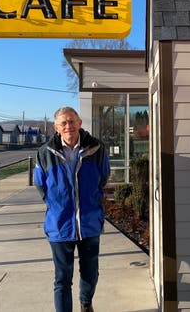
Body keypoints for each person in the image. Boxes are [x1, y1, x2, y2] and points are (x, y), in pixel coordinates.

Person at [34, 106, 110, 312]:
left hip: (89, 223)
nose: (68, 126)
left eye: (72, 121)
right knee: (62, 278)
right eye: (63, 123)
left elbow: (103, 178)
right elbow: (40, 185)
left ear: (79, 123)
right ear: (56, 127)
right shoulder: (44, 153)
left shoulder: (97, 148)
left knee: (90, 273)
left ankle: (86, 303)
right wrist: (56, 206)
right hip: (60, 226)